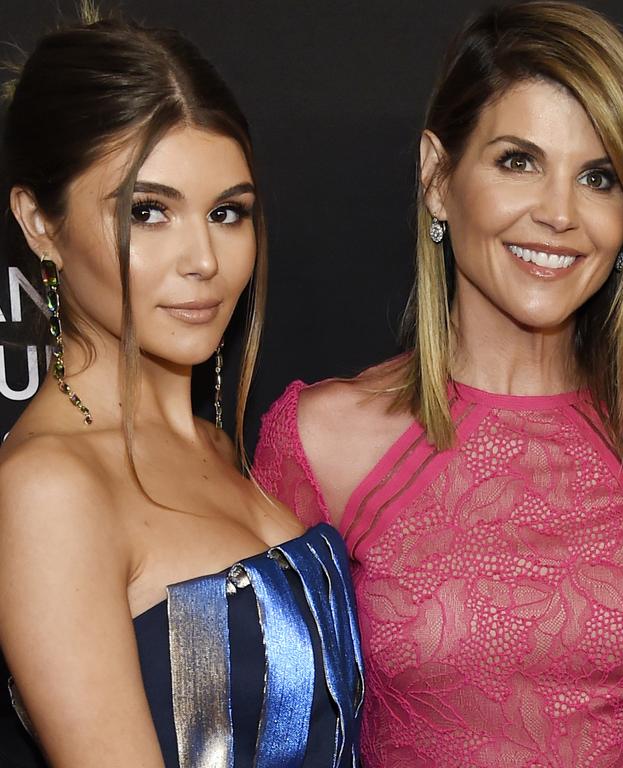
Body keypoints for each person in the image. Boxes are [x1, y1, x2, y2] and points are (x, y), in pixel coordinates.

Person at [253, 2, 623, 765]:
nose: (558, 213)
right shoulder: (325, 441)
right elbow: (273, 722)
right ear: (438, 178)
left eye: (599, 177)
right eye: (518, 160)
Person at [0, 12, 363, 768]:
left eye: (227, 213)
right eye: (147, 212)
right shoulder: (47, 489)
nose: (204, 258)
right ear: (39, 223)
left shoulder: (216, 445)